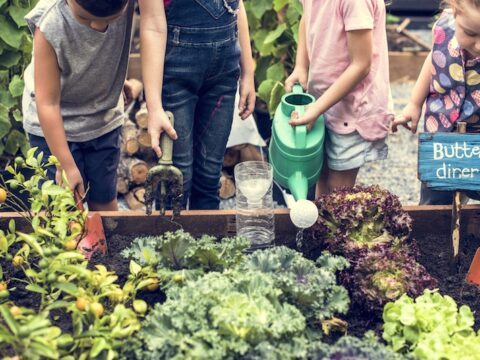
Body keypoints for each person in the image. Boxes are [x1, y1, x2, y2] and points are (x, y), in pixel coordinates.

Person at [22, 0, 138, 211]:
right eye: (84, 18)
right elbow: (47, 103)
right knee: (63, 210)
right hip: (54, 129)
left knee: (104, 204)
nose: (95, 27)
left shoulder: (124, 4)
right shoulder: (50, 22)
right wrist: (65, 165)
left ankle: (104, 243)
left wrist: (113, 80)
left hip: (102, 122)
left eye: (109, 21)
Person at [141, 0, 256, 210]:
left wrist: (248, 72)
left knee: (209, 176)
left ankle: (204, 242)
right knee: (177, 177)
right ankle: (170, 241)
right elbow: (152, 25)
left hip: (223, 77)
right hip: (176, 76)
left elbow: (237, 6)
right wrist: (154, 106)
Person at [285, 0, 393, 196]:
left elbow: (361, 64)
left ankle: (333, 225)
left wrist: (317, 108)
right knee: (320, 174)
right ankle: (320, 225)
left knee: (338, 190)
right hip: (322, 101)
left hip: (354, 108)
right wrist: (300, 66)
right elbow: (306, 19)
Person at [392, 0, 480, 204]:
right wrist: (414, 103)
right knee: (436, 199)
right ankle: (437, 234)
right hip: (442, 133)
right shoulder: (443, 26)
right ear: (455, 11)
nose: (478, 45)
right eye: (471, 33)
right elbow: (435, 57)